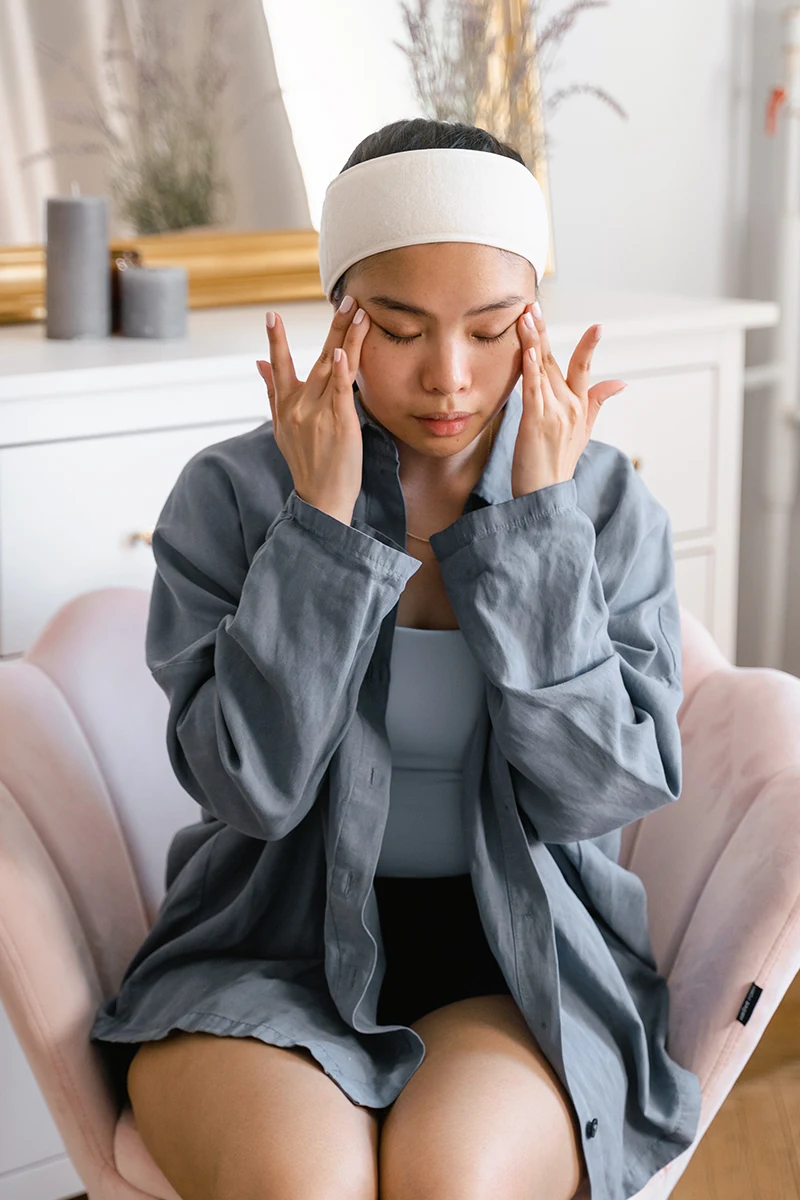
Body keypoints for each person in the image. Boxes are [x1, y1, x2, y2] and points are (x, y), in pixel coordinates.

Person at [89, 117, 703, 1200]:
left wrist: (537, 533)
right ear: (339, 317)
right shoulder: (230, 499)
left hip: (524, 960)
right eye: (399, 326)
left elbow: (594, 794)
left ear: (535, 325)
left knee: (450, 1180)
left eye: (491, 327)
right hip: (266, 944)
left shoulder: (601, 508)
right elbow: (253, 792)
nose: (448, 377)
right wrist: (320, 531)